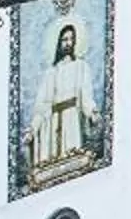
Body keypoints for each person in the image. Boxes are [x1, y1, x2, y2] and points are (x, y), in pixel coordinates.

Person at [28, 20, 93, 176]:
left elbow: (86, 96)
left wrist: (92, 112)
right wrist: (32, 128)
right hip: (52, 122)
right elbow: (42, 104)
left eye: (71, 39)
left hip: (71, 119)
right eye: (64, 39)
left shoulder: (81, 67)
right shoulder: (51, 72)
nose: (68, 43)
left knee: (72, 159)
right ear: (59, 42)